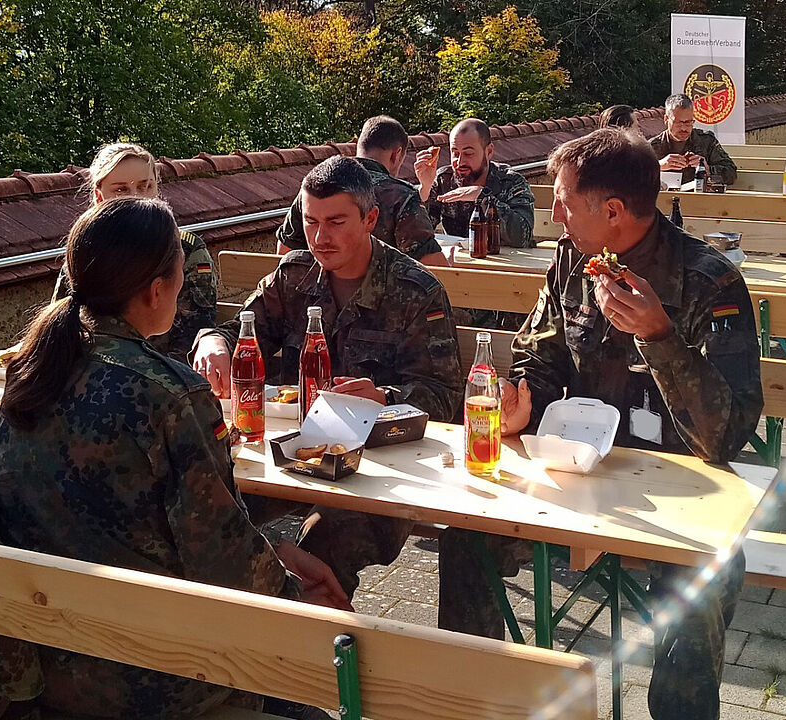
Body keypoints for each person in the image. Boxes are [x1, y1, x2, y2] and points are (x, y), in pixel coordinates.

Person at [440, 128, 763, 720]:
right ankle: (473, 700)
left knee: (705, 587)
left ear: (612, 211)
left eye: (563, 199)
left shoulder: (710, 281)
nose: (553, 211)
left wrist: (661, 338)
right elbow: (543, 352)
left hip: (681, 492)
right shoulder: (572, 258)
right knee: (464, 533)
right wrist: (525, 399)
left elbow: (728, 435)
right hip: (577, 476)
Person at [0, 197, 348, 720]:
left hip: (39, 660)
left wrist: (270, 552)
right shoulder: (171, 394)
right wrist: (298, 600)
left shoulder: (31, 370)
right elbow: (222, 562)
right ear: (156, 290)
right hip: (153, 674)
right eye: (181, 279)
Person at [192, 156, 463, 597]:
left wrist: (386, 397)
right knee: (203, 512)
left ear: (371, 218)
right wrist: (212, 342)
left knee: (319, 547)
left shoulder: (415, 290)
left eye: (336, 222)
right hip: (292, 457)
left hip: (382, 470)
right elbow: (242, 332)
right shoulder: (294, 276)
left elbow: (446, 395)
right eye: (310, 222)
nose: (319, 238)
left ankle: (318, 655)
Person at [52, 142, 217, 357]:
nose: (136, 197)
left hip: (159, 379)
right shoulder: (85, 250)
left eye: (145, 186)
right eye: (121, 189)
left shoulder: (184, 251)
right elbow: (61, 326)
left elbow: (191, 346)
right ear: (99, 197)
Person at [277, 115, 449, 267]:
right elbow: (436, 271)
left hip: (316, 299)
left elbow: (284, 255)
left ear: (359, 146)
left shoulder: (314, 189)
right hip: (386, 300)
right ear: (396, 155)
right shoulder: (401, 197)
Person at [415, 117, 536, 248]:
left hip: (507, 262)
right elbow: (416, 234)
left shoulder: (511, 182)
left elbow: (522, 237)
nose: (460, 162)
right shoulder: (443, 180)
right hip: (459, 262)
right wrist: (424, 190)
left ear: (489, 151)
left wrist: (484, 197)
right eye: (455, 153)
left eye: (468, 154)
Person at [650, 94, 738, 187]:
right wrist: (659, 166)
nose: (684, 128)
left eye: (688, 122)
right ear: (666, 119)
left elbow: (731, 174)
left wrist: (707, 169)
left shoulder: (706, 141)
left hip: (701, 199)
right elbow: (634, 176)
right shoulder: (652, 147)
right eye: (679, 123)